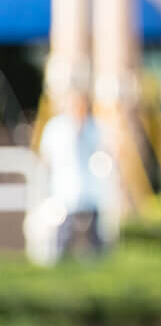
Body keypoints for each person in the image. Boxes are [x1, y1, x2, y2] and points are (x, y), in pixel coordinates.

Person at [38, 88, 109, 260]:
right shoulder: (56, 128)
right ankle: (60, 260)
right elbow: (46, 157)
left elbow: (103, 155)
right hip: (63, 190)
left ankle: (97, 262)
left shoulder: (94, 127)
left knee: (93, 235)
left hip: (90, 190)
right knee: (63, 233)